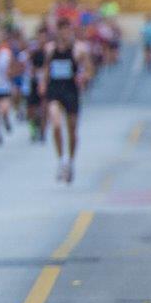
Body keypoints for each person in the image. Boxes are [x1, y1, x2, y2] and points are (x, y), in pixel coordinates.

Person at [41, 17, 90, 183]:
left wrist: (84, 77)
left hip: (71, 91)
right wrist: (43, 83)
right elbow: (46, 67)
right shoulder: (50, 49)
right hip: (55, 90)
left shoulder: (79, 49)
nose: (64, 32)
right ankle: (61, 160)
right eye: (61, 29)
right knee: (55, 123)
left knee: (72, 130)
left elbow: (89, 69)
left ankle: (71, 161)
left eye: (67, 29)